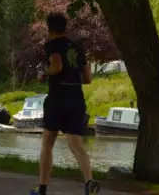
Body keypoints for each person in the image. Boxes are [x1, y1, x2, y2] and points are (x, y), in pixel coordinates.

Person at [30, 12, 100, 195]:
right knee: (76, 143)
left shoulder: (52, 45)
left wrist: (44, 73)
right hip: (76, 98)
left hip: (57, 97)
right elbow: (88, 78)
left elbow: (57, 65)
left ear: (49, 28)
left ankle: (42, 188)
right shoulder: (78, 48)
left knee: (48, 142)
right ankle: (89, 182)